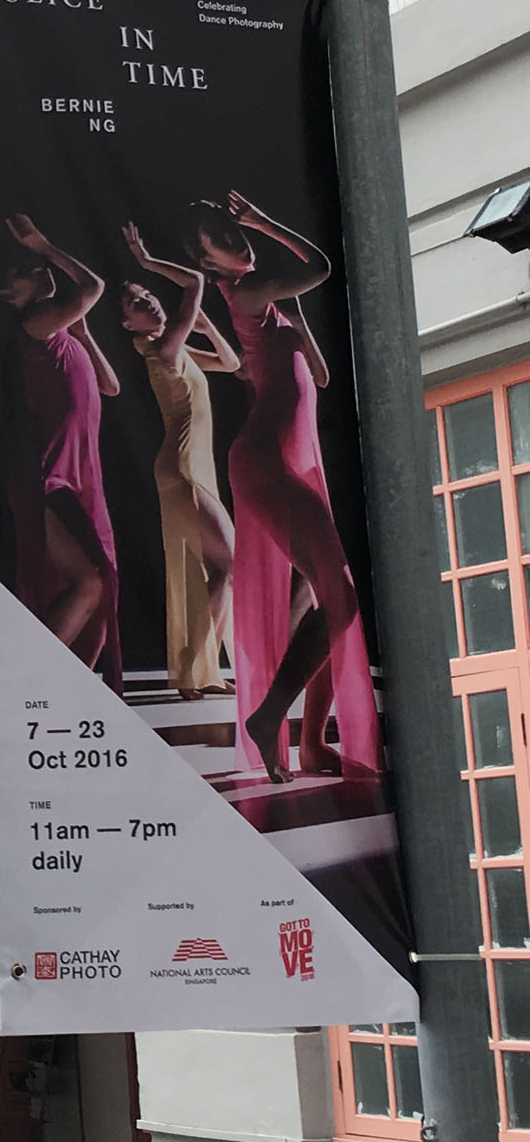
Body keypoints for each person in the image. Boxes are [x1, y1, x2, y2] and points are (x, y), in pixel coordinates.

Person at [182, 190, 377, 783]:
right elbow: (319, 266)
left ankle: (313, 742)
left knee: (326, 601)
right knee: (339, 598)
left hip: (292, 462)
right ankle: (270, 718)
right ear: (210, 263)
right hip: (265, 460)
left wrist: (295, 321)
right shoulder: (243, 292)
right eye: (226, 238)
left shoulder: (270, 303)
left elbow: (318, 374)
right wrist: (267, 221)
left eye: (239, 232)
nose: (239, 240)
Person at [0, 213, 123, 692]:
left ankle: (76, 690)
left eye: (14, 276)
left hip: (77, 476)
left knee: (103, 587)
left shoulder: (63, 335)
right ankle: (34, 683)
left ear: (38, 278)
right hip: (45, 477)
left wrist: (85, 333)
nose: (4, 289)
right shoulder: (33, 326)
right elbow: (92, 285)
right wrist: (46, 246)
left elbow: (110, 386)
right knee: (89, 581)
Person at [118, 221, 240, 700]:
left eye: (145, 292)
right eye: (135, 303)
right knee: (229, 565)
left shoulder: (177, 348)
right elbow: (195, 282)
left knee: (221, 570)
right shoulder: (163, 352)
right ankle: (192, 668)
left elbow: (230, 364)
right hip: (183, 469)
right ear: (130, 324)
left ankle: (201, 669)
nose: (146, 300)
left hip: (191, 469)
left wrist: (207, 326)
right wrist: (145, 259)